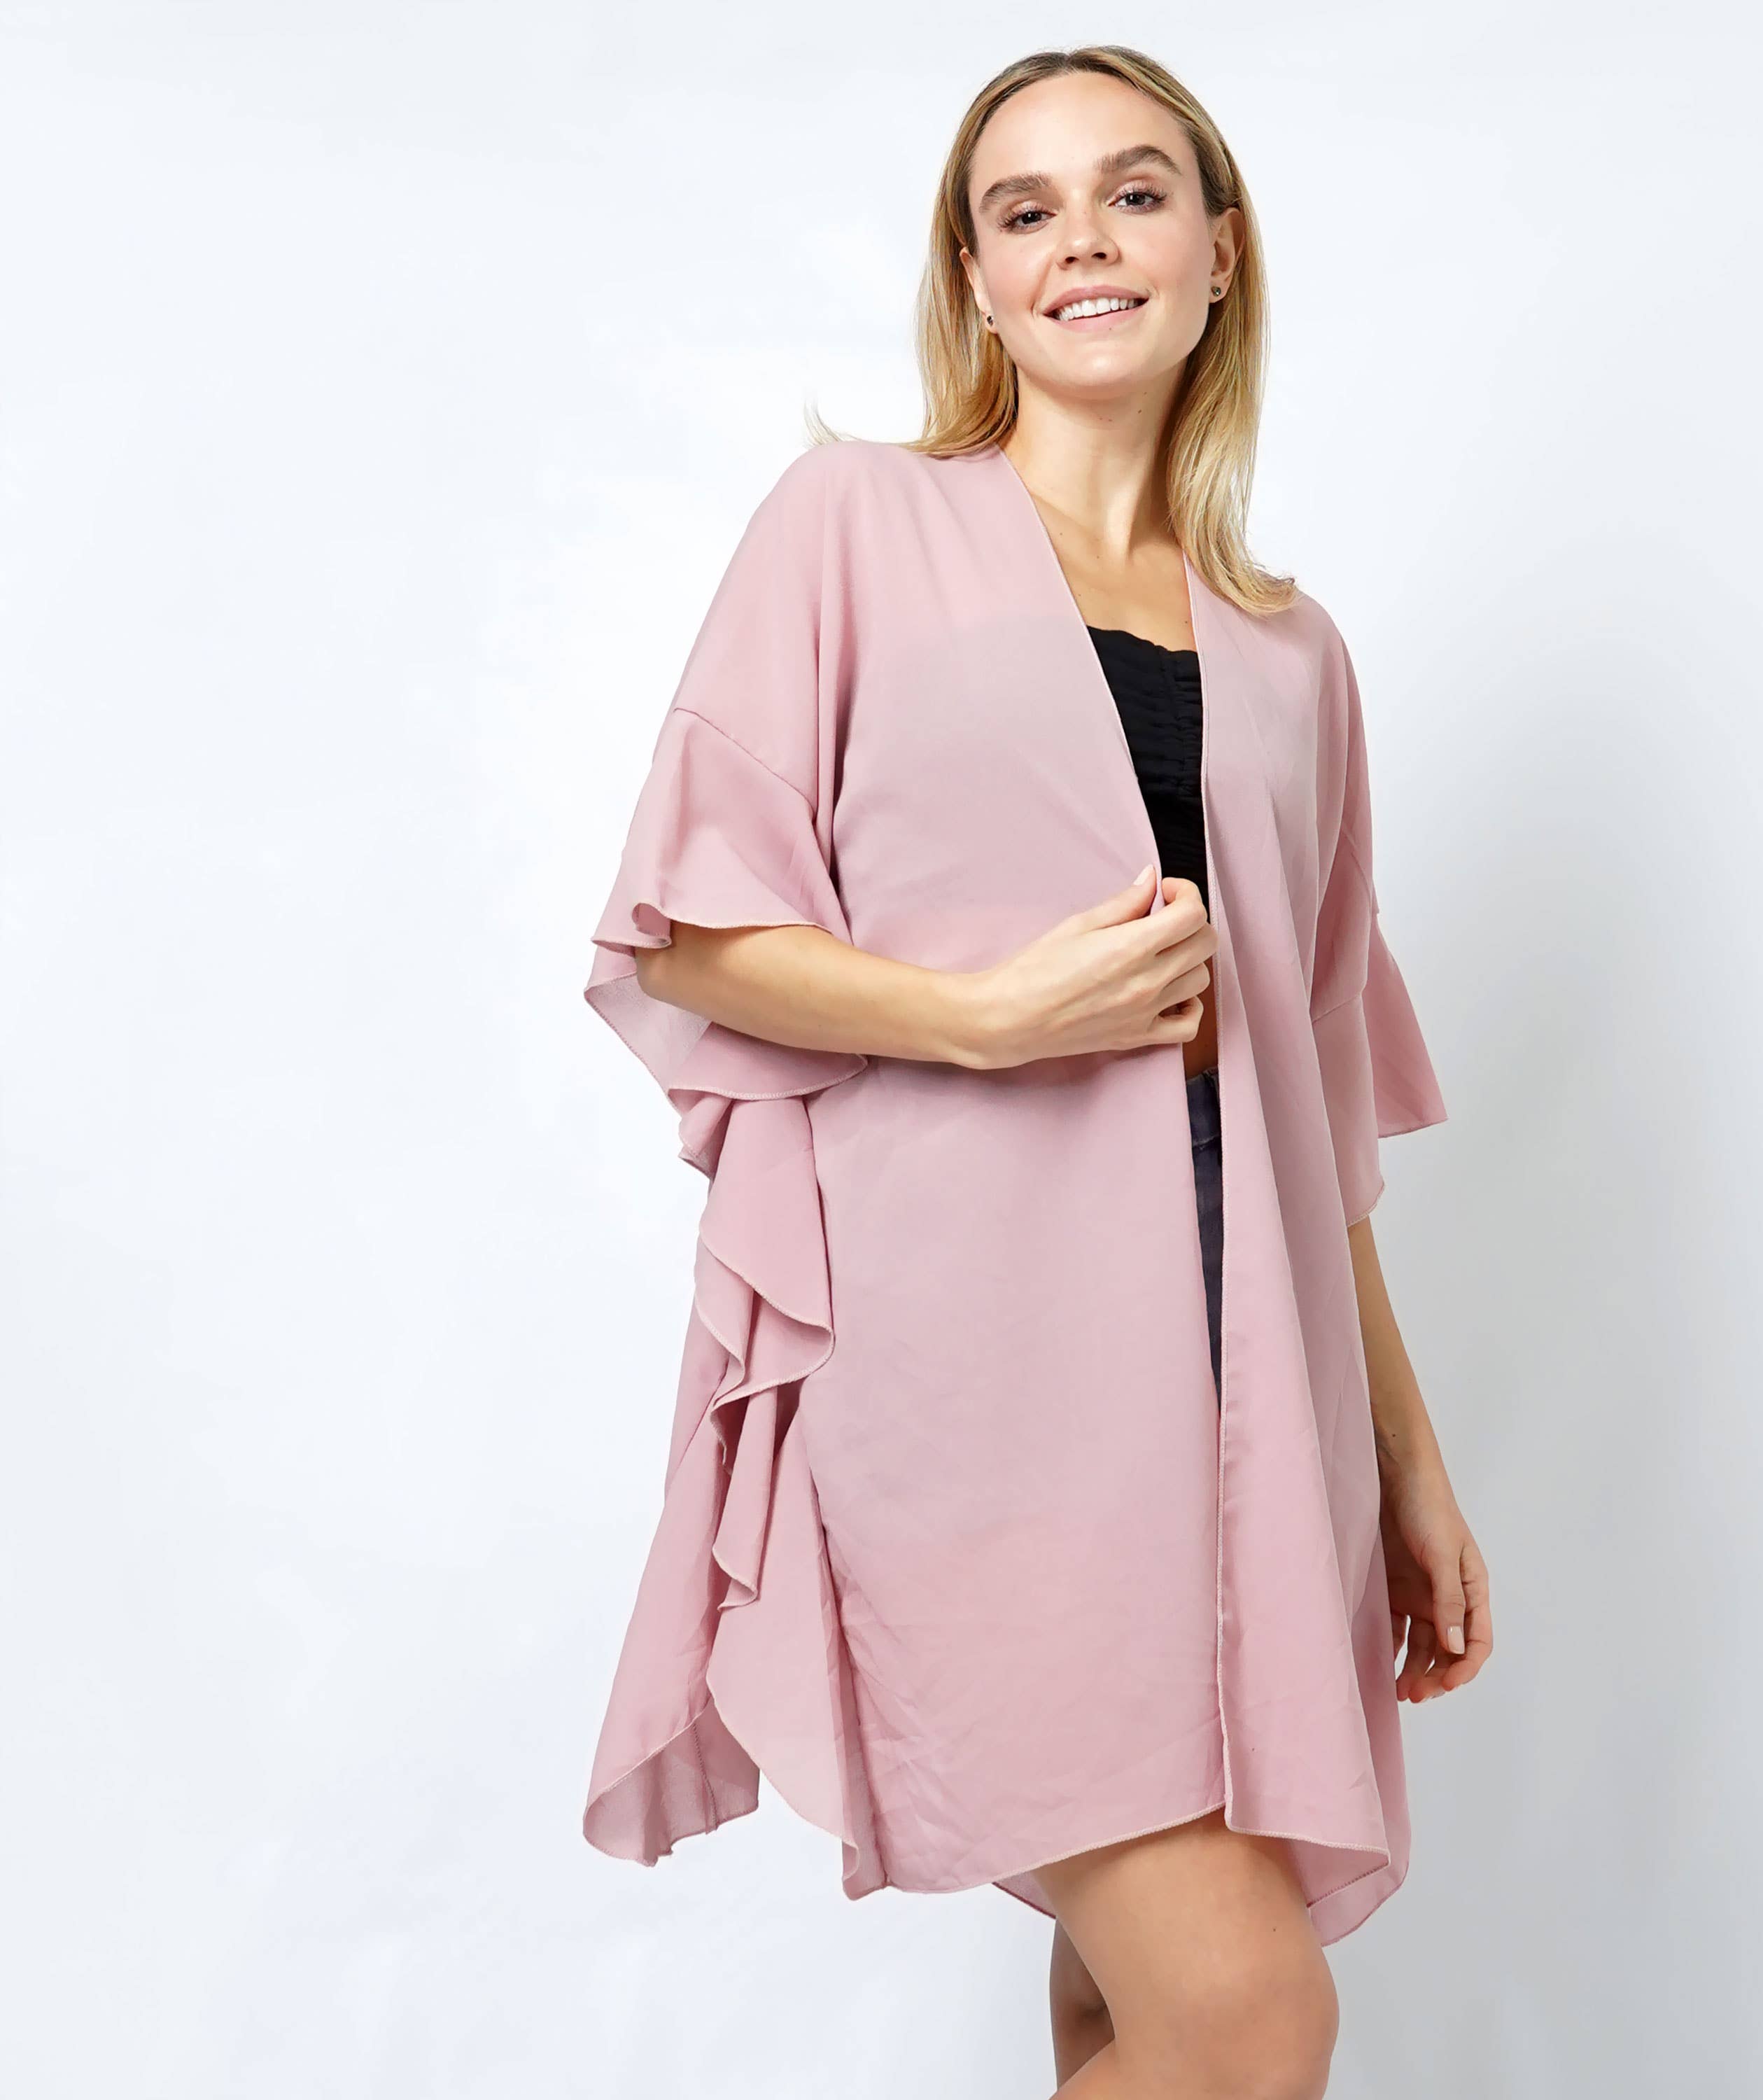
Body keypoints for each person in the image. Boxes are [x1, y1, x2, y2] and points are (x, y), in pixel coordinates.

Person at [580, 45, 1493, 2100]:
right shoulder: (855, 525)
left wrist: (1411, 1464)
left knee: (1132, 2007)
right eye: (1026, 208)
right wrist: (990, 1017)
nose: (1084, 237)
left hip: (1250, 1406)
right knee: (1246, 2014)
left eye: (1135, 191)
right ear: (979, 281)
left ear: (1220, 252)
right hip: (968, 1384)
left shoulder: (1294, 651)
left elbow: (1313, 1110)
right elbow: (687, 929)